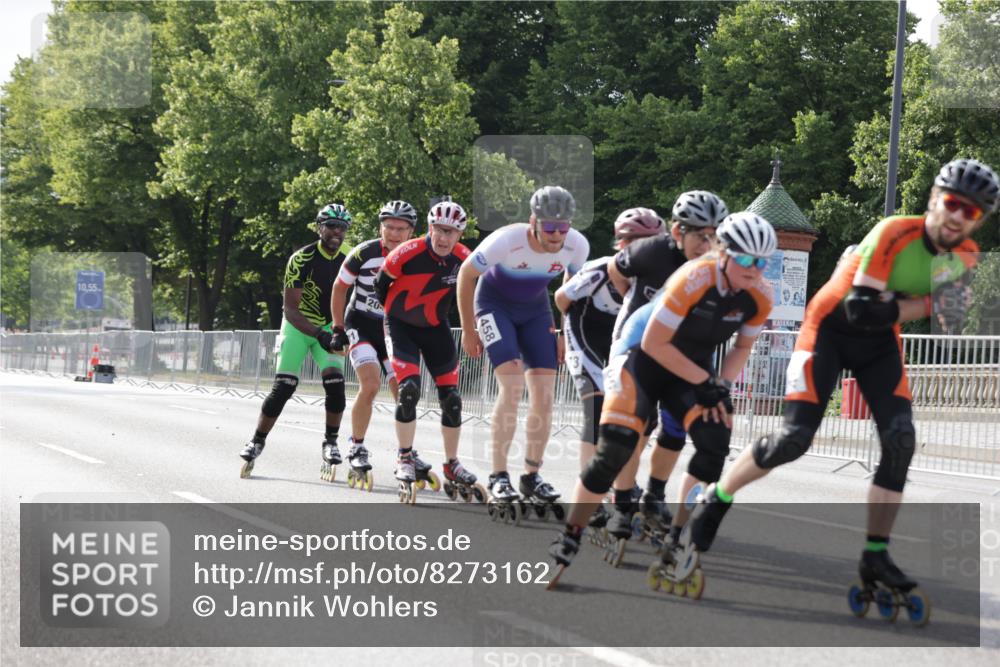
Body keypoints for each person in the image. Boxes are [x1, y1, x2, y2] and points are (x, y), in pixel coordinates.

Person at [684, 158, 997, 603]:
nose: (958, 217)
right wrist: (928, 304)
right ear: (934, 199)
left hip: (879, 343)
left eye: (972, 211)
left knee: (901, 439)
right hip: (828, 329)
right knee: (793, 440)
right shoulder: (894, 232)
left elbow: (946, 319)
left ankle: (876, 554)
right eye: (952, 203)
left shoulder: (964, 255)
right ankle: (718, 497)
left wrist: (941, 309)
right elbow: (861, 309)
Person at [549, 212, 777, 587]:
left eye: (763, 262)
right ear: (723, 253)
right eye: (747, 259)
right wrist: (705, 381)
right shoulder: (694, 278)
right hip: (640, 355)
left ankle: (678, 537)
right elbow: (655, 344)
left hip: (687, 365)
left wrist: (721, 385)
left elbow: (742, 347)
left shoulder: (761, 295)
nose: (755, 270)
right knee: (616, 446)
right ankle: (572, 531)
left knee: (714, 440)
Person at [602, 191, 729, 550]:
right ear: (677, 232)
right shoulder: (652, 251)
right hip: (637, 341)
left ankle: (654, 494)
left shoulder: (721, 263)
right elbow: (615, 270)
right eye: (700, 236)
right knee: (637, 425)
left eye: (715, 236)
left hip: (683, 350)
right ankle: (622, 501)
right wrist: (633, 299)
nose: (708, 245)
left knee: (675, 429)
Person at [456, 186, 589, 517]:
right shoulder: (506, 240)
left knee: (544, 395)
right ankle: (499, 475)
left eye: (563, 227)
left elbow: (570, 290)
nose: (557, 235)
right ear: (533, 222)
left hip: (535, 310)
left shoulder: (577, 245)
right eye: (549, 227)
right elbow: (466, 275)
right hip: (493, 305)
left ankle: (531, 476)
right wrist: (469, 329)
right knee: (513, 386)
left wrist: (564, 333)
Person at [553, 207, 665, 527]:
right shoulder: (601, 269)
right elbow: (561, 298)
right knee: (597, 406)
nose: (644, 251)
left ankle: (622, 483)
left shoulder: (660, 277)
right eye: (637, 243)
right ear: (621, 244)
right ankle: (589, 489)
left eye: (651, 243)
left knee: (645, 416)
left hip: (622, 338)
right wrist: (562, 334)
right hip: (585, 330)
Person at [375, 200, 482, 503]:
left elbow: (477, 295)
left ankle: (452, 463)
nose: (444, 238)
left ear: (460, 234)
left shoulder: (465, 259)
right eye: (439, 230)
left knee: (453, 399)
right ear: (429, 228)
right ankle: (404, 456)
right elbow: (380, 287)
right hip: (401, 326)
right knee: (409, 390)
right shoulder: (406, 252)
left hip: (436, 328)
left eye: (451, 232)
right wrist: (393, 317)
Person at [239, 203, 353, 480]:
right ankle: (257, 440)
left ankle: (330, 442)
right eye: (331, 226)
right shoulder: (301, 259)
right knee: (284, 386)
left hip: (330, 325)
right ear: (319, 228)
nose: (337, 232)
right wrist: (319, 334)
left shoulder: (351, 258)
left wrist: (339, 329)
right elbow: (290, 309)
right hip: (299, 325)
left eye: (342, 227)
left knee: (335, 384)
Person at [331, 200, 417, 488]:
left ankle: (406, 453)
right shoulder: (363, 252)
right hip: (361, 324)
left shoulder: (416, 256)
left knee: (403, 391)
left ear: (411, 231)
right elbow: (340, 287)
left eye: (401, 229)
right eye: (389, 227)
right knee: (370, 385)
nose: (394, 234)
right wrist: (338, 328)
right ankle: (356, 445)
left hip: (393, 329)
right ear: (380, 228)